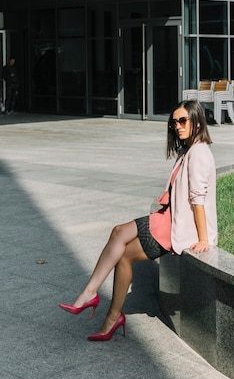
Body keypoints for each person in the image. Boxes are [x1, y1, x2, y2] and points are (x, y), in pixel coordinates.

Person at [59, 99, 217, 341]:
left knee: (124, 255)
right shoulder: (189, 149)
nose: (177, 126)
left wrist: (204, 238)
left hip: (175, 227)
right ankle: (92, 296)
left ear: (197, 121)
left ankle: (109, 316)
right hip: (167, 217)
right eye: (174, 122)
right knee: (118, 233)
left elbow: (198, 198)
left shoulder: (198, 152)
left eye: (183, 120)